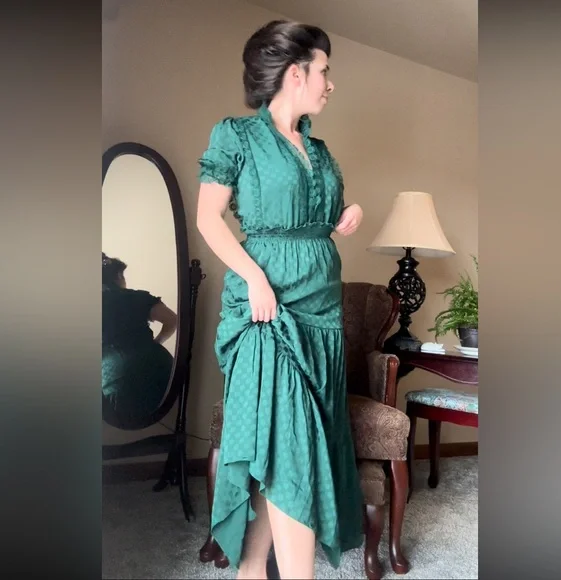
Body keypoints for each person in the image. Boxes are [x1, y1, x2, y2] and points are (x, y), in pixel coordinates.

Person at [196, 20, 364, 580]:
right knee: (292, 450)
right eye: (324, 71)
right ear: (296, 73)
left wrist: (346, 215)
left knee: (284, 449)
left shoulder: (320, 150)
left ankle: (250, 572)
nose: (329, 84)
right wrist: (255, 279)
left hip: (322, 316)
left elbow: (312, 219)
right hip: (268, 313)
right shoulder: (236, 136)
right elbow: (208, 218)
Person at [101, 253, 177, 421]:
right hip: (161, 368)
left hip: (117, 377)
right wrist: (157, 343)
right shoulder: (138, 297)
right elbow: (172, 320)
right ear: (118, 276)